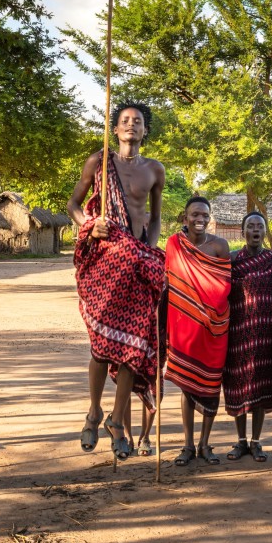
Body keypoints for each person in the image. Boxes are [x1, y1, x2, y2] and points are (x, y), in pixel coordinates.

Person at [68, 102, 166, 461]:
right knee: (101, 343)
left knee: (134, 345)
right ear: (115, 129)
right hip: (105, 262)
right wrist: (89, 225)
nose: (130, 125)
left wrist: (147, 251)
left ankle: (117, 421)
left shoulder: (155, 170)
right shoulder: (98, 162)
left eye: (137, 122)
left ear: (144, 131)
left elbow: (155, 218)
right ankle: (94, 411)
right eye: (124, 120)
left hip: (138, 263)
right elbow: (73, 204)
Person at [164, 197, 231, 466]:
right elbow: (171, 282)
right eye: (195, 214)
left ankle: (205, 443)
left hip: (215, 327)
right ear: (185, 218)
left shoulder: (220, 245)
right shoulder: (173, 244)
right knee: (186, 386)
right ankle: (188, 445)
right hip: (184, 327)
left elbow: (225, 286)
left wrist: (209, 311)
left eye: (204, 214)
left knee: (212, 385)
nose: (199, 218)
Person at [223, 212, 272, 463]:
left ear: (264, 231)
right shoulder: (232, 260)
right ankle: (240, 442)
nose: (255, 230)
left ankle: (256, 442)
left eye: (260, 226)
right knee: (238, 385)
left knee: (259, 385)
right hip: (237, 333)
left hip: (266, 333)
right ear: (242, 232)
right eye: (250, 226)